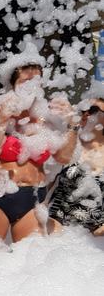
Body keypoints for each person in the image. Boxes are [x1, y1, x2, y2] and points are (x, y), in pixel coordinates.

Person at [0, 61, 77, 243]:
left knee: (31, 256)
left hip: (33, 197)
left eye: (35, 81)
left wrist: (72, 124)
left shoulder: (46, 118)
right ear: (13, 84)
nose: (31, 86)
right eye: (25, 81)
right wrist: (2, 119)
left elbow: (64, 157)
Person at [49, 99, 104, 237]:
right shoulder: (71, 144)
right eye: (83, 110)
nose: (86, 114)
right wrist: (72, 125)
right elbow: (46, 186)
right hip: (58, 224)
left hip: (97, 232)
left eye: (93, 110)